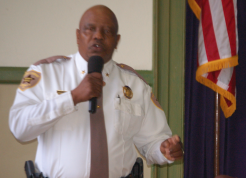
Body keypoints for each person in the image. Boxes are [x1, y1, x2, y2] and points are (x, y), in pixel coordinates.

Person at [9, 5, 183, 178]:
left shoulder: (135, 85)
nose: (98, 35)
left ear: (117, 40)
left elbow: (152, 142)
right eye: (90, 29)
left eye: (107, 31)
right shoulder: (47, 73)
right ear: (78, 36)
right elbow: (20, 128)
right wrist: (72, 97)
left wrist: (164, 150)